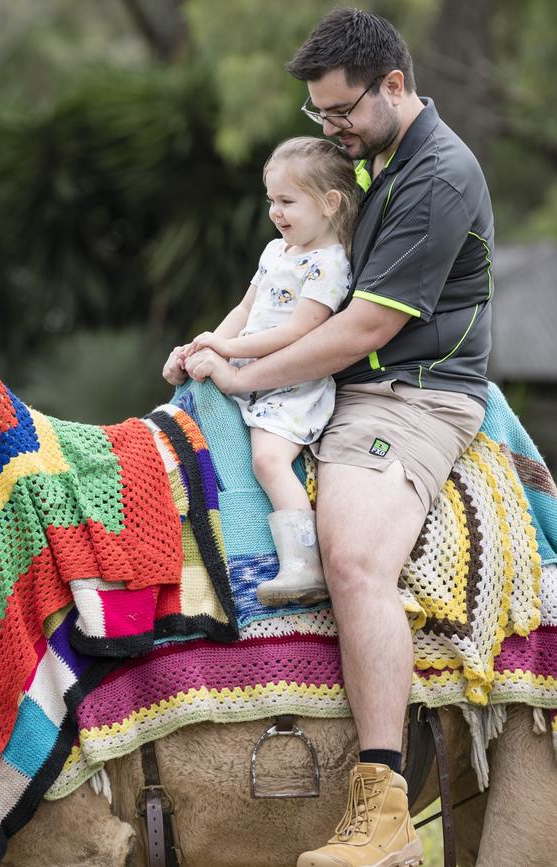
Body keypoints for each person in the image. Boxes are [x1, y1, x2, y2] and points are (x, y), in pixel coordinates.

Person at [170, 8, 495, 867]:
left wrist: (243, 374)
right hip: (338, 382)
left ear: (395, 85)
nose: (330, 129)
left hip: (409, 394)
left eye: (341, 110)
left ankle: (383, 805)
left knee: (350, 554)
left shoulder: (438, 177)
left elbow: (357, 331)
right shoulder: (373, 156)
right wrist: (211, 347)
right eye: (320, 114)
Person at [164, 136, 360, 607]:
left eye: (287, 201)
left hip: (291, 384)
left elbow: (300, 330)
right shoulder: (276, 251)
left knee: (267, 460)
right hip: (249, 367)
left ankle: (304, 564)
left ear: (330, 203)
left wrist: (228, 349)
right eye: (271, 199)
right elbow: (247, 307)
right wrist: (207, 344)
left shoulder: (330, 265)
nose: (276, 211)